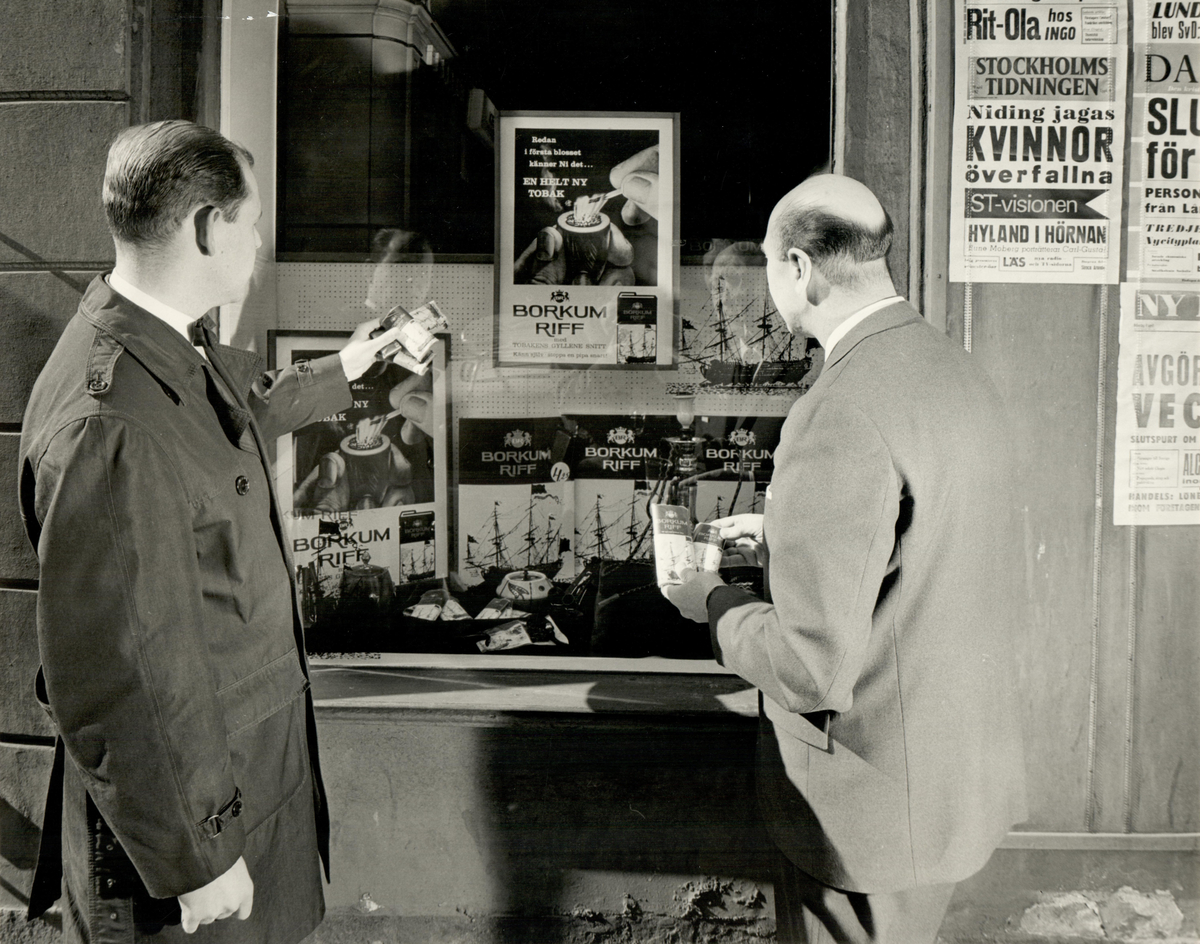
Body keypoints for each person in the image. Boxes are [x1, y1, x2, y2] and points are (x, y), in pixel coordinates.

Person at [18, 120, 408, 942]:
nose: (261, 241)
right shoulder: (111, 420)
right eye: (254, 220)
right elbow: (117, 670)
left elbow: (231, 425)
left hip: (234, 792)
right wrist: (196, 856)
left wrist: (349, 369)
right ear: (206, 226)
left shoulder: (157, 347)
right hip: (192, 848)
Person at [664, 174, 1027, 943]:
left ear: (798, 267)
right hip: (951, 779)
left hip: (867, 805)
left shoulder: (839, 408)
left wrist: (710, 601)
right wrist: (785, 533)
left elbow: (807, 665)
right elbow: (923, 548)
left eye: (766, 261)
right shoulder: (953, 368)